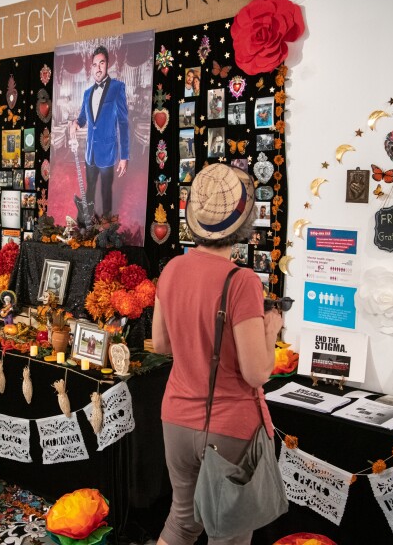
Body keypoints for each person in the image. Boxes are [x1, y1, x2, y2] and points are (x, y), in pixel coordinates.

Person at [153, 163, 284, 545]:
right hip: (228, 426)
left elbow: (161, 345)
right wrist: (271, 330)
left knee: (181, 521)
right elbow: (257, 372)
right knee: (229, 533)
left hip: (176, 417)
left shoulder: (172, 269)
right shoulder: (241, 281)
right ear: (242, 223)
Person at [69, 45, 129, 218]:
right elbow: (82, 118)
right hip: (90, 152)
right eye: (95, 64)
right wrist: (75, 123)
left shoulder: (117, 87)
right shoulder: (87, 93)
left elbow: (124, 123)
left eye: (101, 63)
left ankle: (107, 222)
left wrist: (124, 156)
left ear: (107, 65)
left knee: (106, 189)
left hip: (108, 150)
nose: (98, 67)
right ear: (91, 67)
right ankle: (87, 221)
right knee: (90, 186)